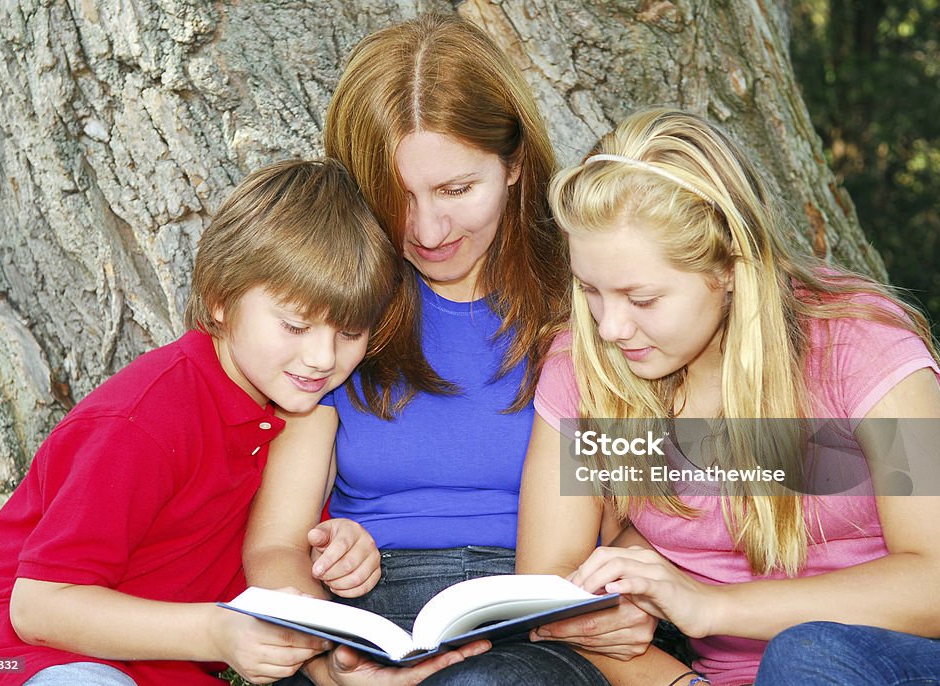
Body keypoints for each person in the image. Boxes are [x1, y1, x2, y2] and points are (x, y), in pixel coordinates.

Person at [243, 13, 665, 686]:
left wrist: (636, 586)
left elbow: (683, 496)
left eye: (456, 190)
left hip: (536, 625)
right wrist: (326, 655)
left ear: (515, 164)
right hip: (366, 620)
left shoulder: (597, 305)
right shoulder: (335, 321)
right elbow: (275, 546)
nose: (428, 229)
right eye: (396, 196)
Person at [518, 106, 940, 686]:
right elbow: (551, 598)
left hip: (911, 661)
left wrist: (713, 607)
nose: (609, 327)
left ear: (730, 267)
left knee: (807, 657)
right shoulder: (585, 365)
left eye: (643, 298)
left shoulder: (862, 345)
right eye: (590, 291)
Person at [0, 159, 421, 686]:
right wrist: (216, 632)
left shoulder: (303, 419)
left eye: (351, 333)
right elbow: (38, 609)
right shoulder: (150, 415)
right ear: (220, 300)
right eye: (295, 324)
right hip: (10, 658)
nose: (321, 357)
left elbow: (273, 551)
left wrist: (336, 551)